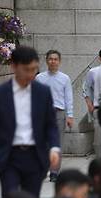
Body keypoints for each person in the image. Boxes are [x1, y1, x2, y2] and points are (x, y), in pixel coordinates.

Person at [0, 46, 60, 198]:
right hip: (9, 156)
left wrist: (54, 147)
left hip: (35, 155)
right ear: (14, 66)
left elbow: (51, 124)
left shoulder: (43, 92)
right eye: (26, 69)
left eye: (34, 69)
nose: (30, 74)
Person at [35, 50, 73, 182]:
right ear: (46, 61)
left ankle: (54, 172)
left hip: (59, 113)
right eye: (50, 59)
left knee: (57, 144)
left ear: (59, 61)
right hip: (42, 114)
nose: (53, 61)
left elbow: (68, 98)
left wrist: (70, 115)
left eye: (55, 59)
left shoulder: (65, 78)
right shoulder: (39, 78)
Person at [83, 46, 101, 158]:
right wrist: (89, 104)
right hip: (99, 109)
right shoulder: (93, 72)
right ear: (100, 59)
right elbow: (86, 88)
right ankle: (100, 163)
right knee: (99, 140)